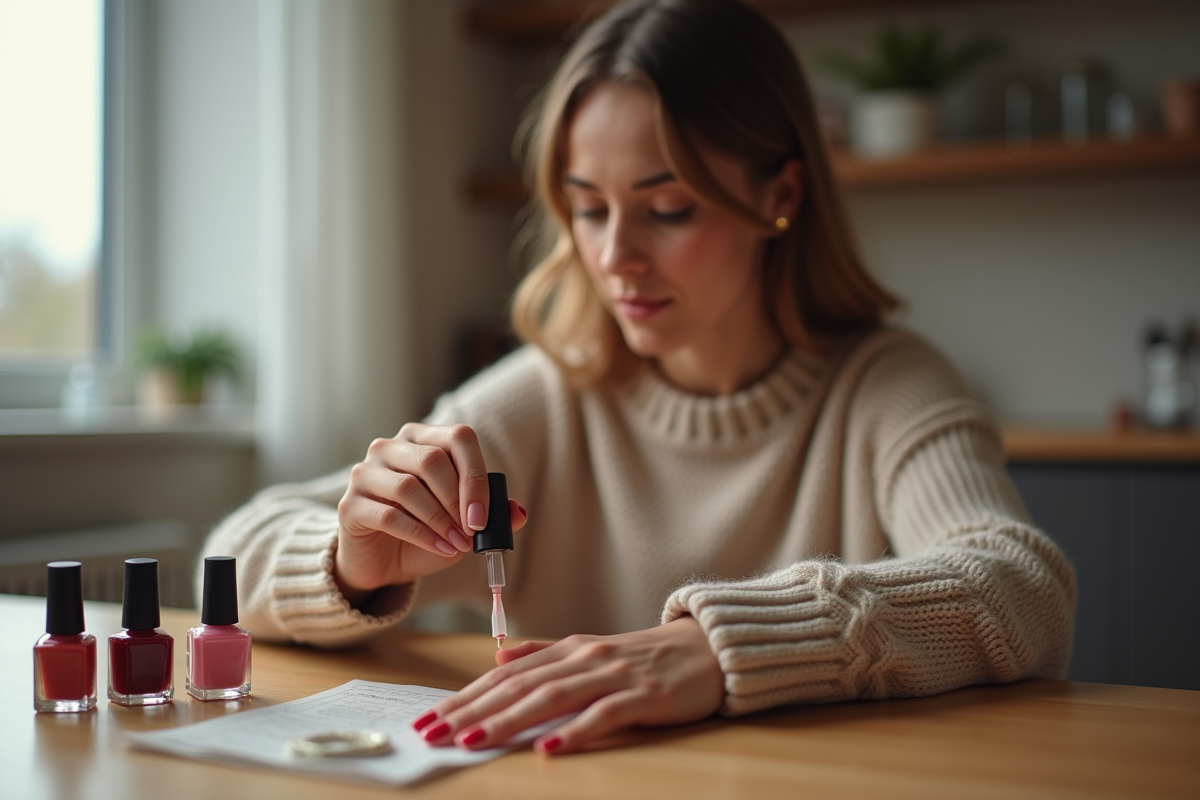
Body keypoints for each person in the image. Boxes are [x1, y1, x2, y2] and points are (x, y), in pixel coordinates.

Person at [201, 0, 1075, 757]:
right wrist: (354, 564)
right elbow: (227, 554)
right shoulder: (549, 394)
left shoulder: (888, 386)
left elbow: (1020, 586)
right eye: (588, 208)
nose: (615, 257)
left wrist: (715, 647)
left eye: (668, 208)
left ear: (783, 194)